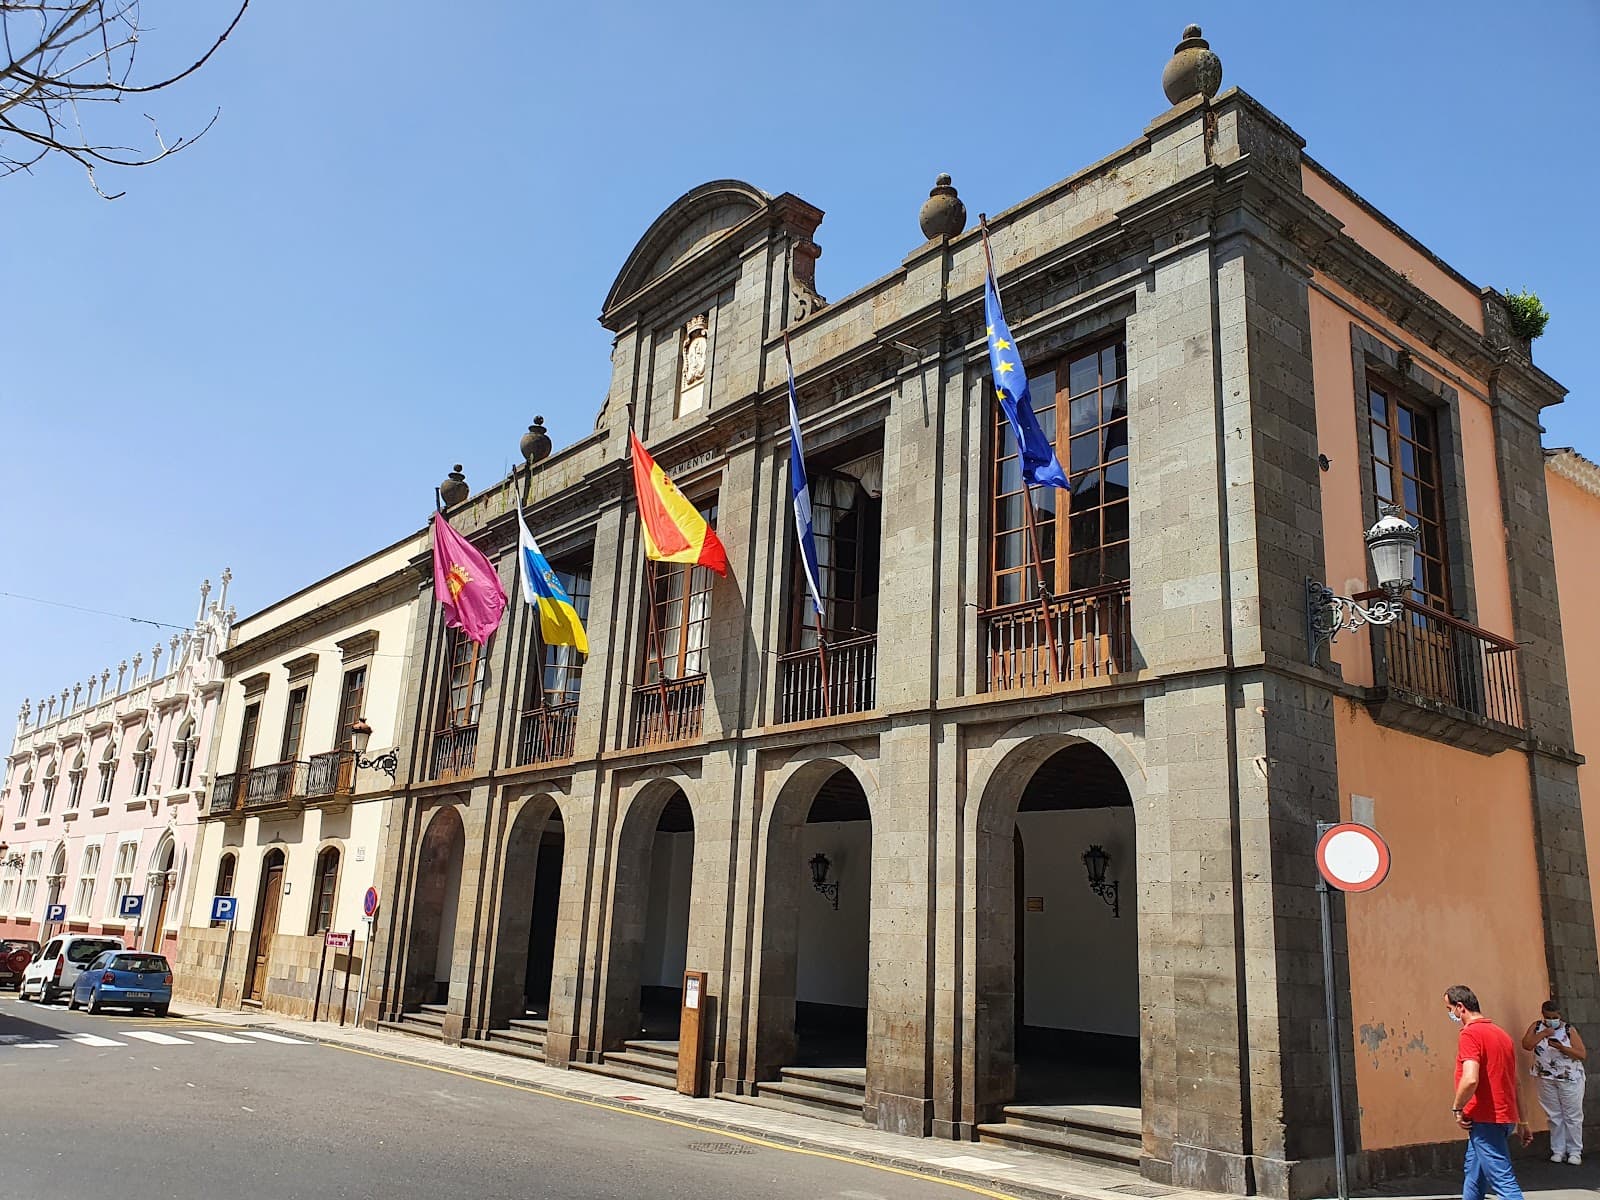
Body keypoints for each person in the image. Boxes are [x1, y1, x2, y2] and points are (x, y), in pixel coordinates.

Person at [1447, 985, 1532, 1200]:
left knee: (1504, 1183)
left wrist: (1457, 1108)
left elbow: (1470, 1078)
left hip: (1485, 1118)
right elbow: (1516, 1083)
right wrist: (1523, 1122)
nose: (1450, 1014)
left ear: (1460, 1007)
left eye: (1449, 1009)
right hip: (1502, 1117)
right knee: (1474, 1176)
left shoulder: (1470, 1034)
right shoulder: (1502, 1035)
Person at [1522, 999, 1586, 1165]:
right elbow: (1527, 1045)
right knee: (1554, 1114)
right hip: (1545, 1076)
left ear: (1559, 1015)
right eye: (1548, 1016)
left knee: (1572, 1115)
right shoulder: (1536, 1027)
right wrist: (1543, 1034)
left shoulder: (1568, 1029)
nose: (1551, 1019)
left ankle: (1575, 1151)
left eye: (1554, 1016)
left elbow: (1581, 1054)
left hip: (1568, 1077)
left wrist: (1562, 1048)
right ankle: (1558, 1150)